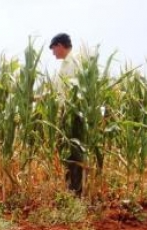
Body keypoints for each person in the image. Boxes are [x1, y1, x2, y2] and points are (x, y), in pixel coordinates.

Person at [50, 32, 84, 196]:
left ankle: (76, 190)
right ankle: (70, 187)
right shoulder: (65, 64)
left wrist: (69, 111)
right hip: (65, 111)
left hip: (73, 111)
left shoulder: (75, 62)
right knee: (66, 149)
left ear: (60, 46)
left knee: (74, 150)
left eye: (53, 49)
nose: (53, 53)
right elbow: (60, 92)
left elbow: (75, 91)